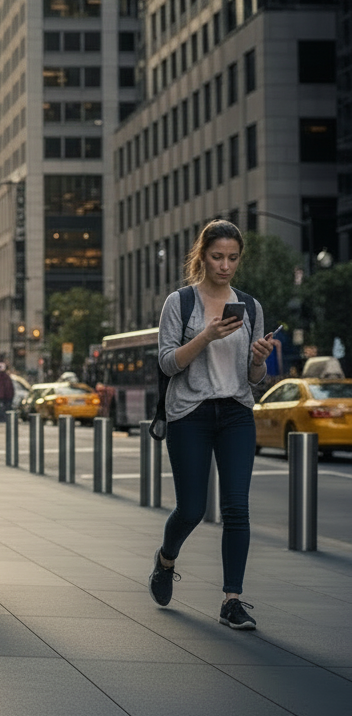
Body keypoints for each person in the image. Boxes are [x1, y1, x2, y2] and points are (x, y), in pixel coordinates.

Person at [149, 219, 275, 630]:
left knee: (237, 508)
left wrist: (258, 358)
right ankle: (166, 560)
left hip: (237, 411)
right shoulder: (180, 302)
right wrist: (205, 336)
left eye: (232, 258)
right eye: (217, 257)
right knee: (191, 509)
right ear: (202, 256)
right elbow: (168, 362)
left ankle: (232, 600)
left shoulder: (250, 307)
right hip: (190, 413)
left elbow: (254, 379)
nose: (225, 265)